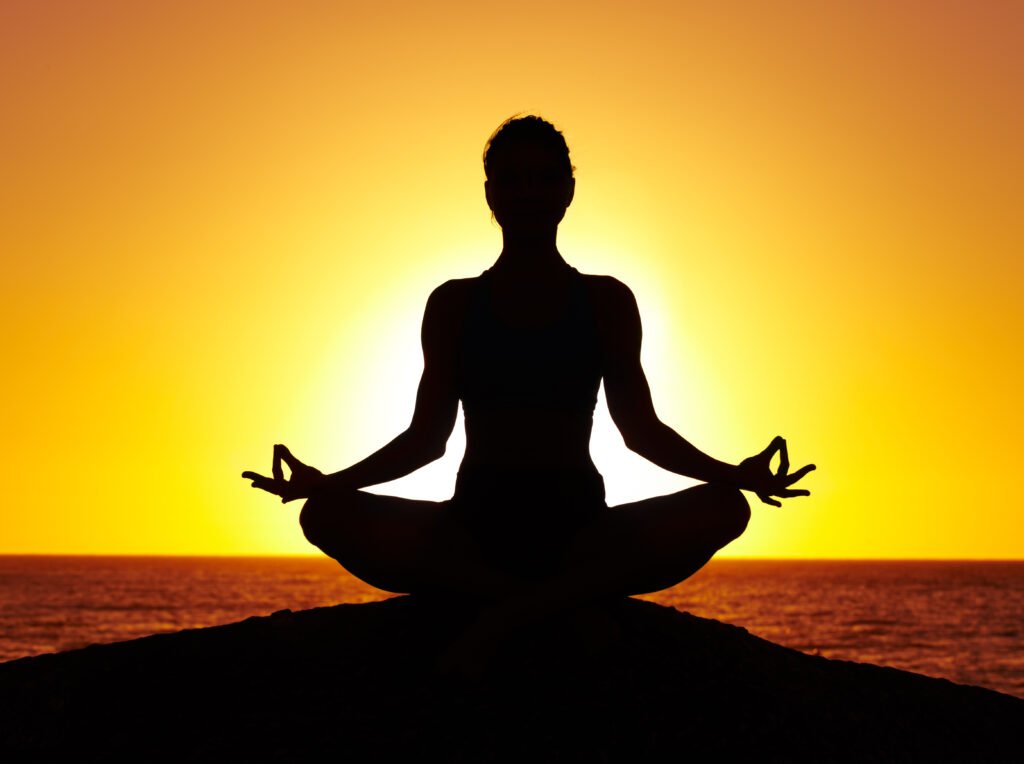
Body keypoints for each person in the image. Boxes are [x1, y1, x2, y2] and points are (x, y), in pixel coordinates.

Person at [242, 115, 814, 675]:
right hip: (473, 528)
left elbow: (640, 431)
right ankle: (557, 603)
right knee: (325, 515)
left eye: (544, 178)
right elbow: (426, 440)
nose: (529, 193)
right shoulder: (454, 304)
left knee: (725, 506)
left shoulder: (606, 301)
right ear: (491, 194)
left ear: (568, 191)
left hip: (581, 529)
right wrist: (328, 483)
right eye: (513, 179)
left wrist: (735, 474)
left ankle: (501, 614)